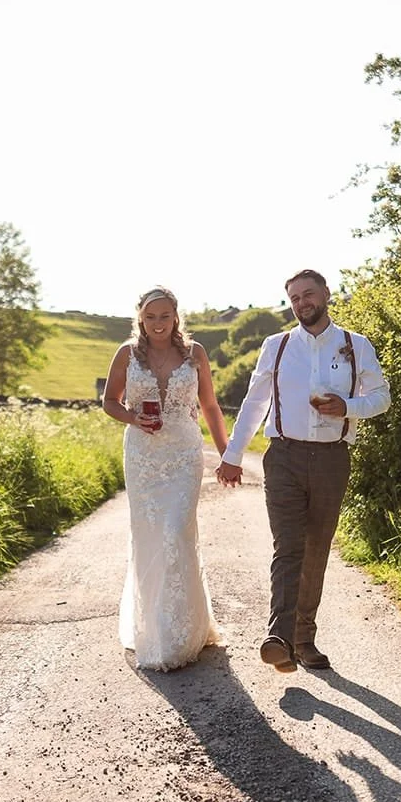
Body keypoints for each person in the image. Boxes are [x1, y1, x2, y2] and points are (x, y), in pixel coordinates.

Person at [216, 270, 390, 672]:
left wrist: (347, 406)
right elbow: (254, 403)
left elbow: (381, 398)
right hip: (284, 458)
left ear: (326, 294)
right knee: (288, 546)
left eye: (308, 294)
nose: (301, 303)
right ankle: (279, 636)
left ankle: (303, 639)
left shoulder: (355, 345)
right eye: (294, 298)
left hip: (332, 459)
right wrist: (232, 454)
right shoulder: (275, 346)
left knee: (316, 550)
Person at [102, 286, 227, 671]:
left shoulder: (195, 353)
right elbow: (109, 401)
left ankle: (182, 633)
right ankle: (153, 630)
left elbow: (209, 405)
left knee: (177, 532)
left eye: (165, 316)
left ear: (176, 317)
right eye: (151, 316)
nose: (158, 323)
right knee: (149, 535)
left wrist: (229, 454)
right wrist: (133, 418)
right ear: (140, 316)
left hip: (185, 454)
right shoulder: (126, 354)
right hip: (142, 455)